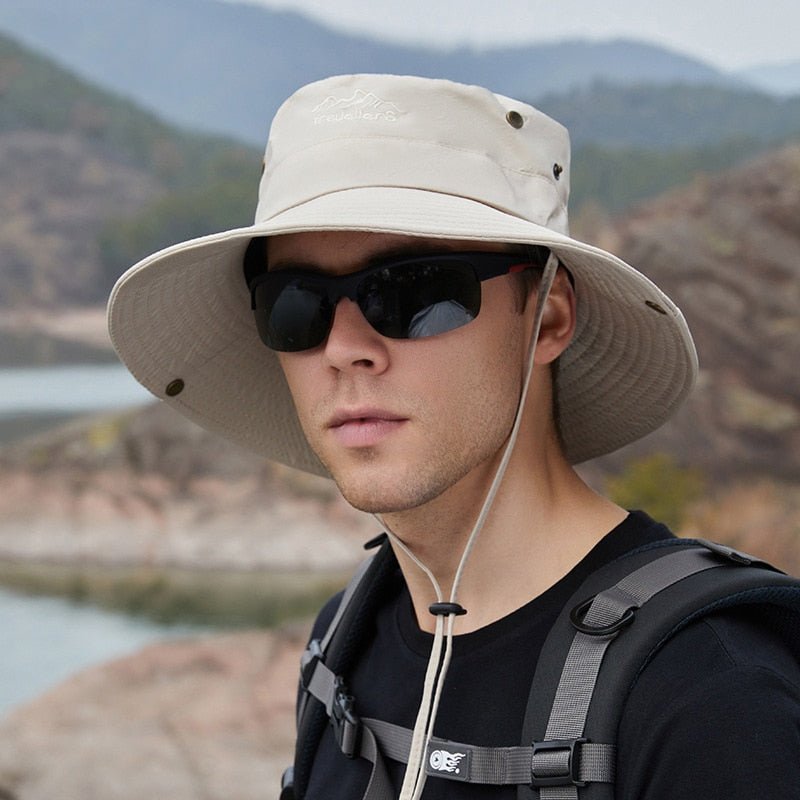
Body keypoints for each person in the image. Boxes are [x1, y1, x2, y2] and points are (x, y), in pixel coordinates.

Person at [107, 74, 800, 799]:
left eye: (413, 292)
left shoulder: (710, 695)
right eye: (296, 305)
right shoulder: (346, 639)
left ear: (549, 316)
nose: (345, 347)